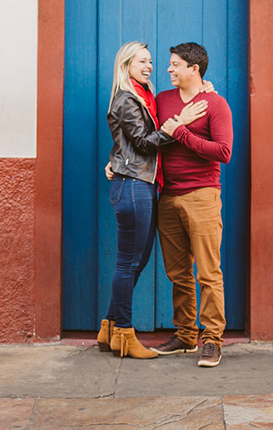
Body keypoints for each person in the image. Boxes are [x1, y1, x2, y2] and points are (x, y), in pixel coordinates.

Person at [98, 41, 207, 359]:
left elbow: (125, 142)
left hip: (139, 183)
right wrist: (178, 124)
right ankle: (125, 335)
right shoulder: (128, 100)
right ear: (126, 65)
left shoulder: (143, 96)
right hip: (133, 186)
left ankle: (109, 328)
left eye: (149, 62)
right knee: (128, 262)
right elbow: (145, 143)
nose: (148, 67)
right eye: (141, 62)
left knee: (136, 261)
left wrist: (115, 159)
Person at [150, 42, 233, 368]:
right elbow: (147, 135)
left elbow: (223, 152)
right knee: (178, 273)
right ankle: (185, 335)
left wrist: (181, 132)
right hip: (168, 196)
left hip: (202, 196)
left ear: (193, 69)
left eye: (175, 65)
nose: (168, 69)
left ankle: (212, 340)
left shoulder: (216, 104)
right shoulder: (163, 100)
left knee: (209, 273)